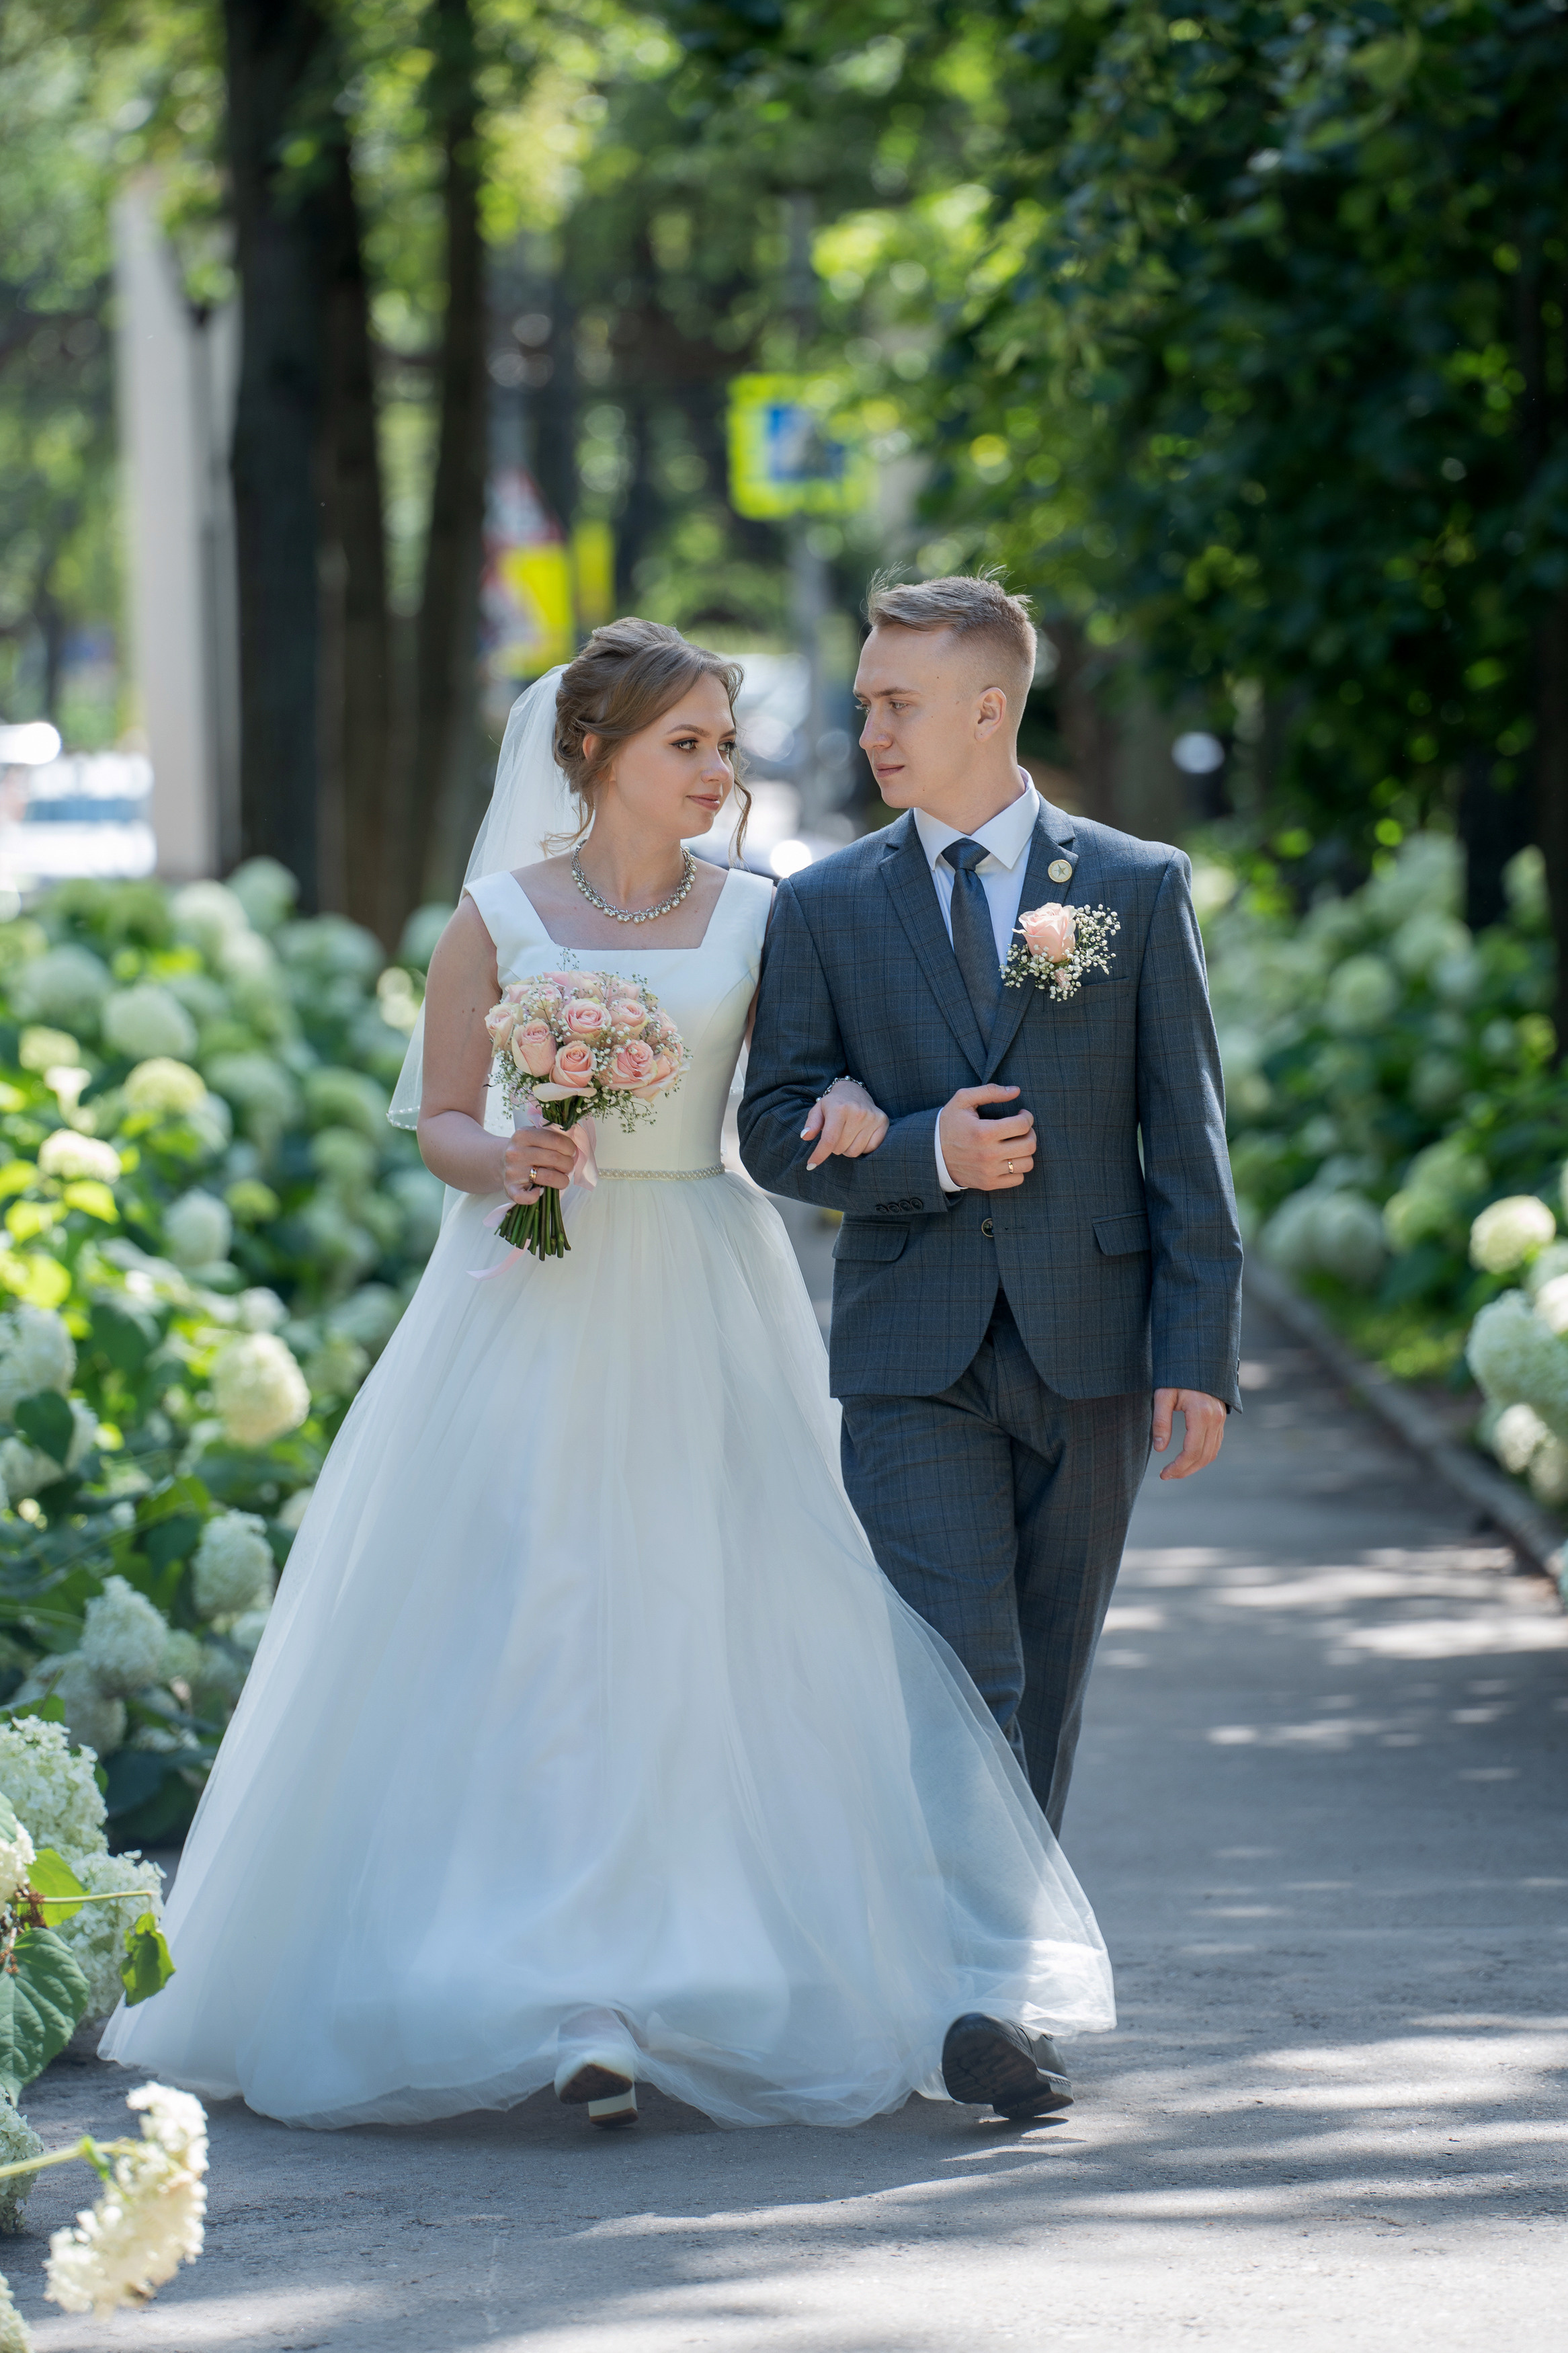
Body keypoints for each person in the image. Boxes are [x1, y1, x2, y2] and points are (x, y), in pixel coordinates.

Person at [99, 619, 1114, 2132]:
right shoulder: (497, 916)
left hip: (701, 1274)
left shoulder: (765, 913)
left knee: (716, 1605)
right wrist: (504, 1156)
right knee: (542, 1607)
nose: (718, 771)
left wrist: (845, 1102)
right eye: (685, 744)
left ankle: (700, 1964)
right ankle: (567, 1992)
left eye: (724, 745)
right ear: (592, 752)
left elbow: (794, 1082)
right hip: (532, 1286)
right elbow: (442, 1118)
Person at [740, 575, 1243, 2103]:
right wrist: (922, 1152)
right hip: (912, 1356)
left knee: (1050, 1673)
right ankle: (980, 1996)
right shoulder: (824, 905)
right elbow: (772, 1126)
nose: (868, 729)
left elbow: (1184, 1135)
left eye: (896, 702)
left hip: (1092, 1347)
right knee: (964, 1672)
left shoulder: (1129, 886)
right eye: (865, 702)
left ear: (987, 709)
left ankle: (1005, 1982)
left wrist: (1196, 1347)